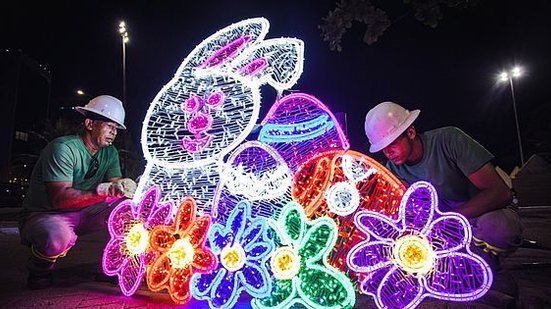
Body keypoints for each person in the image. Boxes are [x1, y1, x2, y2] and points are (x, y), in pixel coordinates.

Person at [364, 101, 523, 269]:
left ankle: (488, 267)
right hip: (445, 223)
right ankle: (462, 267)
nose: (389, 153)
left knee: (498, 230)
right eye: (383, 149)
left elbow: (500, 193)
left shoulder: (449, 140)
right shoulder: (394, 170)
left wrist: (448, 220)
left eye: (393, 144)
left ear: (410, 132)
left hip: (487, 211)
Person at [18, 95, 137, 290]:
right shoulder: (63, 148)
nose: (113, 133)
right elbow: (59, 199)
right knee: (57, 238)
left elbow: (117, 188)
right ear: (90, 123)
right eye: (109, 126)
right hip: (45, 214)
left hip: (83, 212)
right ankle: (39, 269)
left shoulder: (110, 152)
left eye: (116, 128)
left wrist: (129, 187)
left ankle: (114, 266)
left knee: (129, 210)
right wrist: (104, 190)